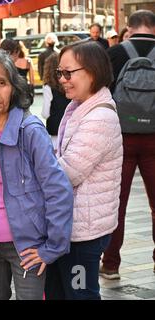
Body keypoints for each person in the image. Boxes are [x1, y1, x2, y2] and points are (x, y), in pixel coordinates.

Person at [0, 50, 73, 300]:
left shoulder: (30, 130)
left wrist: (52, 247)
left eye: (1, 83)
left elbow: (57, 188)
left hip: (28, 244)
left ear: (13, 87)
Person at [45, 40, 123, 300]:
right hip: (72, 225)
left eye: (69, 73)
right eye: (60, 73)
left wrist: (34, 162)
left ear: (93, 70)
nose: (63, 80)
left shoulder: (99, 117)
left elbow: (68, 171)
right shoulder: (79, 105)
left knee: (80, 293)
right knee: (59, 291)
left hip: (84, 232)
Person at [101, 9, 155, 280]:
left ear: (130, 29)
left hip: (120, 136)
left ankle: (110, 264)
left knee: (117, 202)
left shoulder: (115, 53)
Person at [41, 53, 71, 150]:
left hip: (55, 129)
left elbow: (45, 113)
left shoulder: (48, 87)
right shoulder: (69, 83)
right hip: (70, 126)